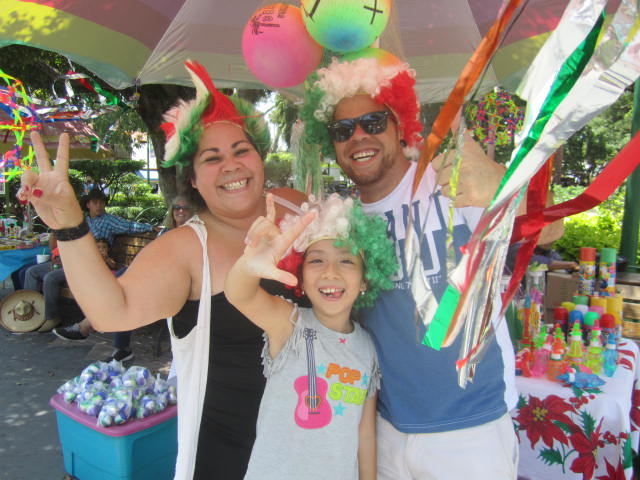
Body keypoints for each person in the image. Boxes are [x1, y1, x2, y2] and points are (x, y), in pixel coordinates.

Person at [18, 60, 306, 480]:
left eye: (241, 150)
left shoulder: (297, 205)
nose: (231, 165)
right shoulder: (186, 248)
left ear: (259, 158)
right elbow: (112, 312)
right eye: (212, 158)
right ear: (191, 178)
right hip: (233, 456)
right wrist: (69, 226)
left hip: (321, 438)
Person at [299, 56, 520, 479]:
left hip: (470, 430)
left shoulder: (451, 181)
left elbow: (552, 228)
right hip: (385, 431)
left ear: (400, 124)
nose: (359, 136)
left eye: (374, 122)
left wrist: (503, 186)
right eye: (343, 130)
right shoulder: (340, 223)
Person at [226, 193, 397, 480]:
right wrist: (248, 266)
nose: (331, 272)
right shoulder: (289, 325)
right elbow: (239, 295)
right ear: (301, 277)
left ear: (365, 278)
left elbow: (365, 434)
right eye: (317, 261)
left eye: (346, 261)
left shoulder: (368, 348)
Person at [52, 196, 196, 364]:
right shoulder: (165, 232)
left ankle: (90, 327)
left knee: (124, 289)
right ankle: (117, 345)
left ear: (192, 211)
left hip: (172, 281)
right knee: (123, 288)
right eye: (176, 207)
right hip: (152, 275)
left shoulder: (193, 233)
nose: (180, 211)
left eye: (184, 208)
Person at [22, 232, 65, 331]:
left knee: (50, 278)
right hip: (59, 260)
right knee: (31, 272)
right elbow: (54, 249)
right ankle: (29, 311)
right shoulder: (61, 227)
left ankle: (52, 317)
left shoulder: (80, 228)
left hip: (74, 264)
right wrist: (54, 233)